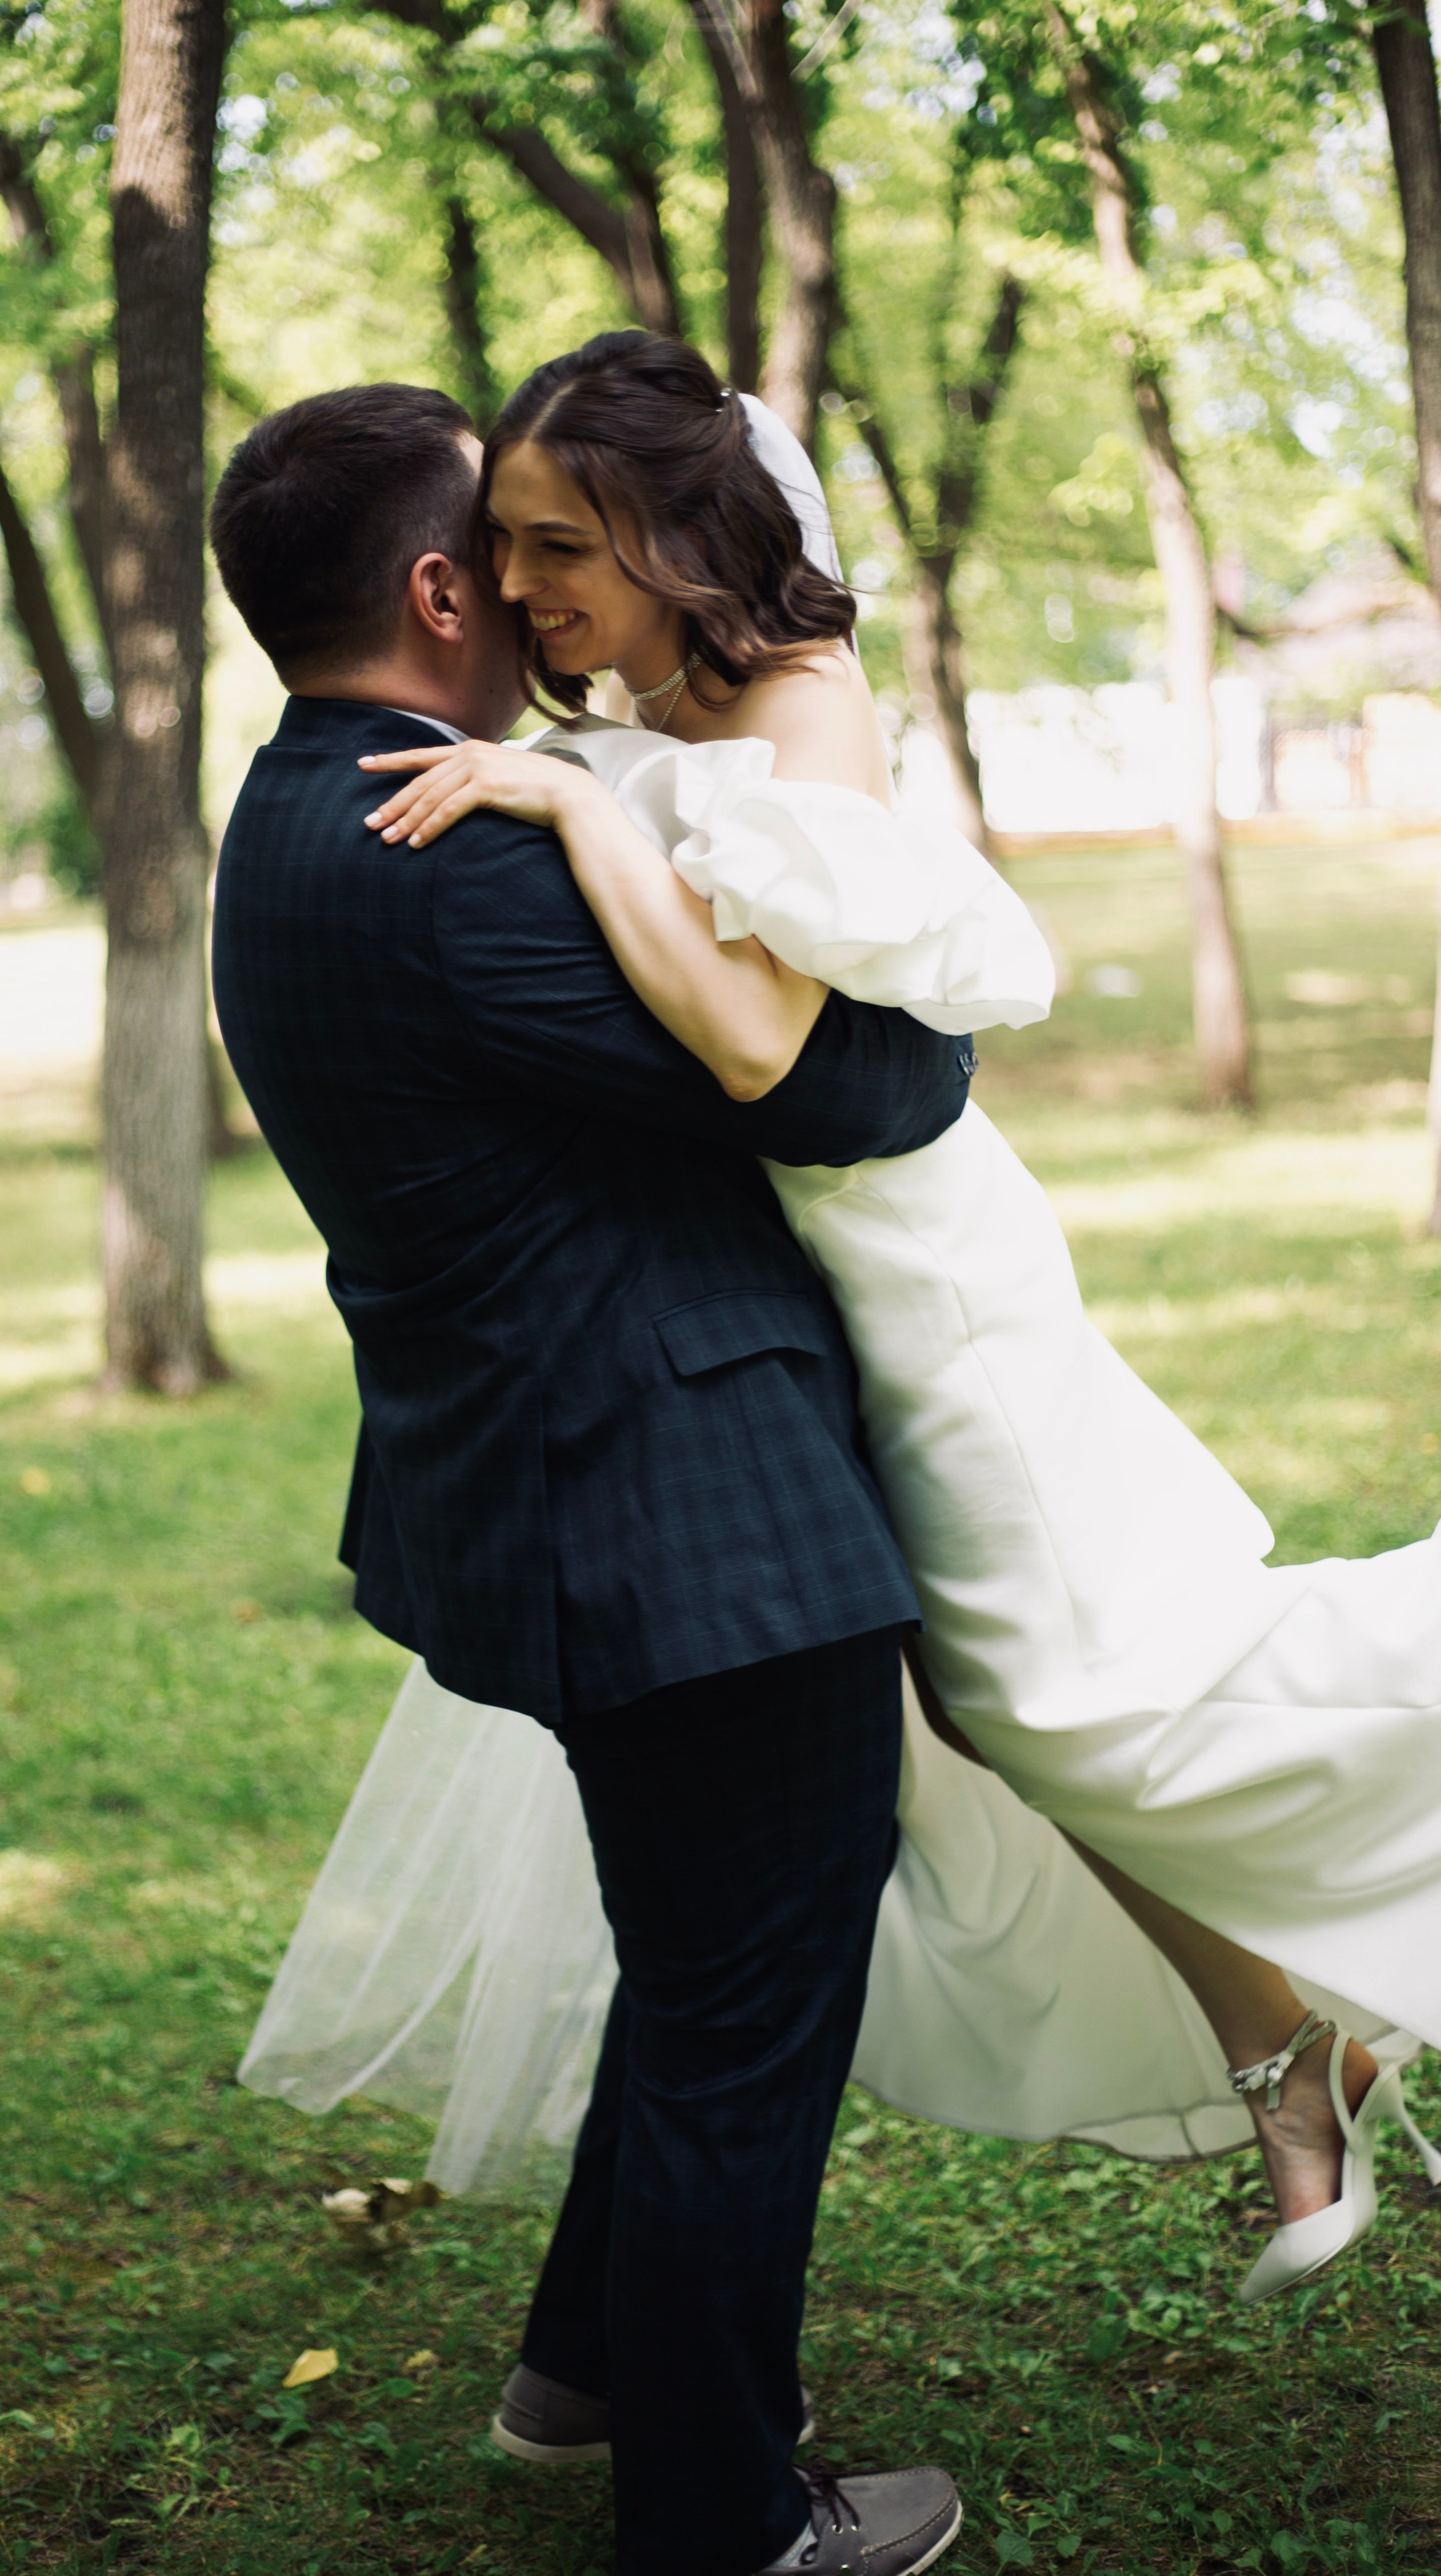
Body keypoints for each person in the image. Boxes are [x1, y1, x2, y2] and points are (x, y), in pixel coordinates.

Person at [239, 334, 1441, 2343]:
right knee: (973, 1716)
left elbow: (776, 1050)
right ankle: (1283, 2054)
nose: (529, 591)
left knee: (1071, 1697)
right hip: (789, 1296)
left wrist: (581, 810)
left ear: (665, 531)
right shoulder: (611, 723)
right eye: (504, 548)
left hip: (911, 1263)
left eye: (562, 547)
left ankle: (1303, 2015)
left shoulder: (793, 705)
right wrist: (575, 778)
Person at [208, 380, 970, 2576]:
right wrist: (913, 976)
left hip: (557, 1486)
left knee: (698, 1952)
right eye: (520, 542)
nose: (557, 578)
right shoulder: (446, 856)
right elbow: (853, 1089)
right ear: (442, 589)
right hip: (685, 1514)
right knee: (750, 2006)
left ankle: (584, 2373)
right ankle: (727, 2524)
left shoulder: (301, 811)